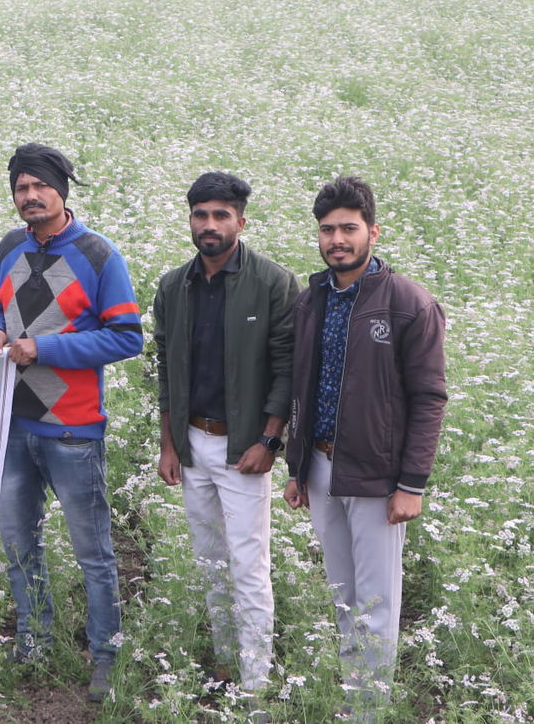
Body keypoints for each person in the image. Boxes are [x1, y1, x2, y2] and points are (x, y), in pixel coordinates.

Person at [0, 143, 143, 703]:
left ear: (61, 191)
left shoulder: (99, 256)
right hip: (13, 426)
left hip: (73, 429)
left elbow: (127, 337)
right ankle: (34, 639)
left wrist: (43, 347)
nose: (29, 197)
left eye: (38, 187)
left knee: (93, 552)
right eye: (20, 188)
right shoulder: (9, 246)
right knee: (18, 542)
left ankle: (106, 655)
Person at [283, 176, 447, 715]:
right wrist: (296, 466)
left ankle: (371, 710)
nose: (337, 239)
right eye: (327, 230)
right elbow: (302, 385)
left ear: (373, 231)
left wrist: (411, 485)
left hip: (379, 477)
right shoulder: (311, 300)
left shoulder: (408, 302)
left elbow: (429, 398)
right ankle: (354, 696)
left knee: (377, 600)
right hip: (323, 468)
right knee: (342, 594)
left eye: (348, 228)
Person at [152, 172, 299, 698]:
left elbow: (286, 369)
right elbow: (166, 370)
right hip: (193, 445)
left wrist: (269, 440)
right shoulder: (174, 285)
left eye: (220, 215)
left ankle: (257, 683)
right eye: (200, 215)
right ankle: (226, 664)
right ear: (190, 219)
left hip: (245, 452)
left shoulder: (273, 282)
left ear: (241, 220)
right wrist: (170, 446)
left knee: (248, 564)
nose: (209, 225)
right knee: (210, 561)